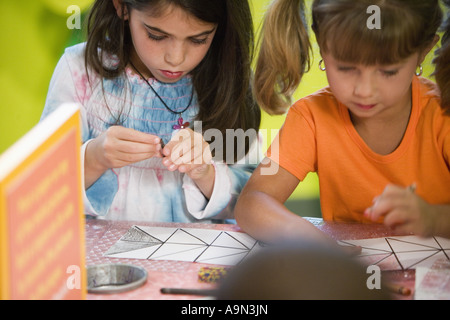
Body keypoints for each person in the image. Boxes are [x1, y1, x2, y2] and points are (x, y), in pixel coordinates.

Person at [235, 0, 450, 245]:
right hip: (352, 277)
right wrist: (302, 234)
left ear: (424, 50)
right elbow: (252, 202)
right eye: (346, 68)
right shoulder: (311, 117)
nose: (365, 90)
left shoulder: (442, 115)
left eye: (388, 71)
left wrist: (432, 218)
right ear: (322, 41)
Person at [41, 0, 261, 222]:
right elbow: (43, 192)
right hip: (98, 254)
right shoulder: (80, 71)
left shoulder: (229, 80)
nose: (175, 58)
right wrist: (94, 158)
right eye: (157, 36)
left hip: (191, 254)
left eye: (198, 39)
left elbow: (257, 198)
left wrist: (206, 174)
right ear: (121, 6)